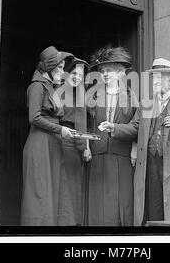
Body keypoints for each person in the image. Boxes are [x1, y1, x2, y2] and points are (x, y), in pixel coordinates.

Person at [102, 58, 170, 226]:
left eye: (159, 78)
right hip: (150, 164)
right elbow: (134, 127)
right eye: (153, 78)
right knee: (153, 208)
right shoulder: (145, 104)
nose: (155, 82)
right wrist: (114, 128)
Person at [21, 46, 75, 226]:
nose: (63, 71)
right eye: (59, 67)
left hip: (53, 144)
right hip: (40, 144)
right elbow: (34, 117)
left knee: (55, 193)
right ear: (49, 68)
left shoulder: (51, 87)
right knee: (41, 195)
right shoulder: (36, 86)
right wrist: (60, 130)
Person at [86, 46, 137, 226]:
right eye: (102, 71)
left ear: (121, 73)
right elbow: (86, 125)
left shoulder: (131, 98)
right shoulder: (93, 96)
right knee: (98, 203)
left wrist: (134, 149)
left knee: (120, 202)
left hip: (121, 155)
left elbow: (136, 126)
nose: (105, 74)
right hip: (98, 154)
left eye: (109, 71)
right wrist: (86, 147)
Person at [58, 58, 90, 226]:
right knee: (69, 183)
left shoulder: (74, 91)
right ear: (67, 73)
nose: (77, 77)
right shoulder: (67, 91)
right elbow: (79, 122)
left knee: (67, 183)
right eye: (74, 73)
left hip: (67, 139)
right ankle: (68, 223)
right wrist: (84, 147)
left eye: (81, 75)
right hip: (67, 139)